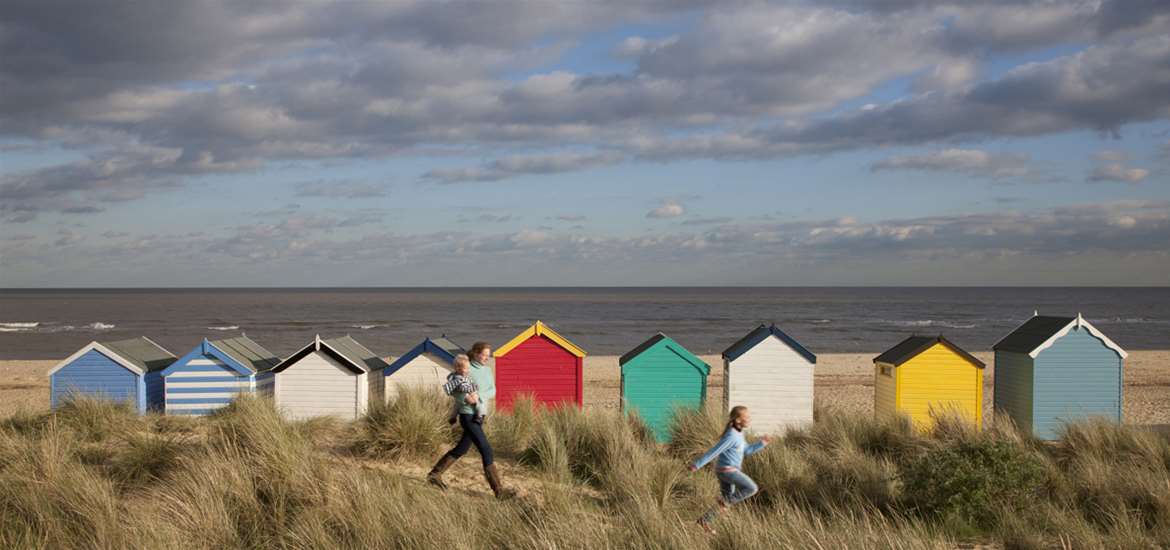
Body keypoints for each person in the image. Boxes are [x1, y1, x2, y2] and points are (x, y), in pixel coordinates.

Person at [426, 341, 515, 499]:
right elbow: (452, 388)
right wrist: (465, 397)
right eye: (484, 355)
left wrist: (480, 396)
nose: (487, 358)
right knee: (485, 449)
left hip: (481, 414)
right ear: (475, 353)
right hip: (467, 414)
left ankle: (434, 475)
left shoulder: (487, 370)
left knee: (462, 449)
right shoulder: (465, 366)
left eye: (489, 355)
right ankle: (499, 491)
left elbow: (492, 390)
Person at [687, 405, 771, 535]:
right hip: (727, 471)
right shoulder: (731, 435)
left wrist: (761, 444)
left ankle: (704, 521)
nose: (749, 419)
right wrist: (696, 465)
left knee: (724, 505)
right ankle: (724, 502)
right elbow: (715, 451)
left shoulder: (739, 433)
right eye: (746, 417)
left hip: (725, 471)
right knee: (752, 488)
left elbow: (746, 451)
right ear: (738, 420)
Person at [443, 355, 487, 424]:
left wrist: (473, 388)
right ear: (458, 369)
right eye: (465, 368)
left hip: (465, 393)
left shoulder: (459, 376)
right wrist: (472, 391)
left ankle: (453, 417)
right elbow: (462, 387)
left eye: (468, 368)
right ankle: (479, 416)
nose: (467, 370)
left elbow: (470, 383)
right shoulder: (458, 378)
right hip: (466, 393)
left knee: (456, 406)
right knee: (477, 402)